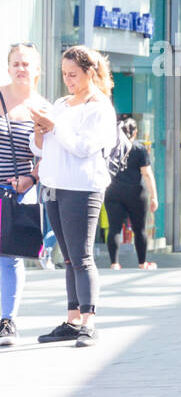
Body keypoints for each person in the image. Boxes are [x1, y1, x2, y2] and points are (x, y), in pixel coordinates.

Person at [28, 46, 117, 347]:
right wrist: (40, 131)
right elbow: (40, 148)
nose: (68, 80)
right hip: (54, 185)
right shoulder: (61, 104)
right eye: (64, 75)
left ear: (90, 72)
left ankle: (89, 323)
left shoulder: (100, 107)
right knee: (67, 257)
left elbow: (83, 147)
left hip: (83, 187)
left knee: (81, 256)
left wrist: (54, 126)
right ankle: (72, 318)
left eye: (73, 75)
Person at [0, 42, 50, 345]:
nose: (21, 68)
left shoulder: (42, 107)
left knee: (9, 257)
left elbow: (50, 156)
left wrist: (31, 178)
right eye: (16, 63)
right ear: (8, 67)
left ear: (37, 70)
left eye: (27, 64)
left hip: (17, 192)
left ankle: (7, 321)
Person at [104, 117, 158, 270]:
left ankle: (114, 263)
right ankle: (142, 263)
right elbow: (146, 173)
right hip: (135, 192)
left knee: (114, 227)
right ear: (135, 132)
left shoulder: (112, 147)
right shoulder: (139, 148)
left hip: (112, 191)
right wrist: (154, 196)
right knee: (139, 228)